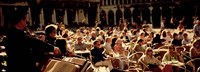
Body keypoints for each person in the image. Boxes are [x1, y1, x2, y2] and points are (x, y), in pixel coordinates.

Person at [4, 7, 60, 72]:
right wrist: (53, 48)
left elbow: (31, 40)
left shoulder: (13, 32)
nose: (26, 23)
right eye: (25, 21)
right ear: (20, 21)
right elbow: (34, 42)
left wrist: (37, 38)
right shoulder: (17, 33)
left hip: (16, 66)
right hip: (22, 67)